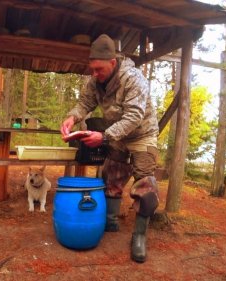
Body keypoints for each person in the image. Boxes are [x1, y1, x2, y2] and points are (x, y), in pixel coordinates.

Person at [60, 34, 159, 263]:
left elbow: (134, 116)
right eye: (92, 69)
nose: (94, 74)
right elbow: (85, 102)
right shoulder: (95, 80)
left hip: (141, 134)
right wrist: (72, 118)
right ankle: (110, 221)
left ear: (113, 63)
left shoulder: (133, 79)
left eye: (99, 69)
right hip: (116, 134)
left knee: (146, 183)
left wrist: (104, 137)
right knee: (111, 174)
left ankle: (139, 236)